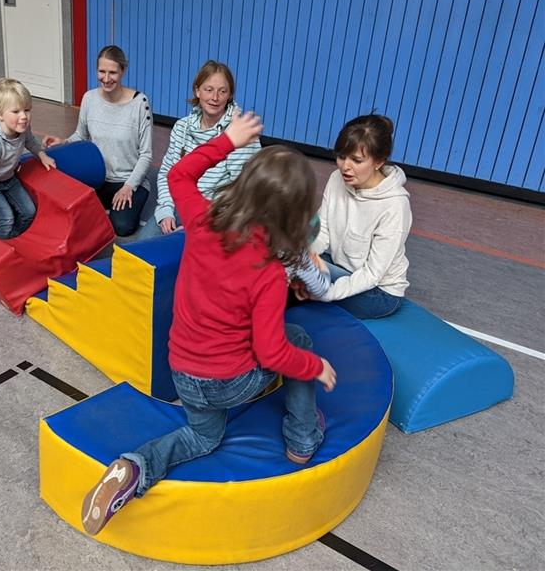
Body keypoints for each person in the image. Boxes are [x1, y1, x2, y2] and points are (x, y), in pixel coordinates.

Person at [79, 111, 337, 536]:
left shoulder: (201, 223)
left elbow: (179, 173)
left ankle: (134, 467)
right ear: (294, 219)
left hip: (183, 369)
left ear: (245, 186)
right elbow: (273, 351)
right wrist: (313, 367)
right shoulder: (269, 272)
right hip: (227, 381)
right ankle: (302, 439)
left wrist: (229, 141)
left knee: (202, 439)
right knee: (302, 341)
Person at [305, 114, 412, 319]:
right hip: (340, 268)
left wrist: (325, 292)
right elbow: (322, 230)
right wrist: (304, 255)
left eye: (357, 160)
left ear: (379, 161)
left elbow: (372, 275)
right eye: (341, 156)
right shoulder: (337, 178)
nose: (345, 166)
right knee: (287, 260)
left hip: (378, 293)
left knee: (293, 276)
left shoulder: (395, 205)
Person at [140, 60, 261, 239]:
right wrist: (165, 209)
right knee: (137, 252)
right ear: (197, 91)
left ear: (229, 95)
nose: (215, 97)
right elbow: (167, 172)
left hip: (215, 216)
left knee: (189, 259)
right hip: (178, 205)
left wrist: (200, 223)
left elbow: (243, 193)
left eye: (222, 91)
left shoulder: (240, 133)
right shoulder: (182, 127)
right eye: (208, 89)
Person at [43, 45, 152, 237]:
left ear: (123, 72)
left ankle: (128, 200)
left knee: (122, 227)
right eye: (102, 71)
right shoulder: (89, 98)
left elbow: (146, 154)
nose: (106, 78)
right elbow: (81, 136)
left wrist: (128, 187)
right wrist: (63, 142)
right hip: (97, 177)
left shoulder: (140, 103)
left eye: (113, 72)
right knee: (69, 215)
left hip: (127, 179)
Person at [0, 78, 56, 239]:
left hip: (8, 177)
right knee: (6, 217)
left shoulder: (22, 126)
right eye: (16, 111)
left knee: (29, 212)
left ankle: (12, 239)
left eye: (27, 110)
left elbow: (30, 140)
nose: (24, 117)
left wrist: (42, 155)